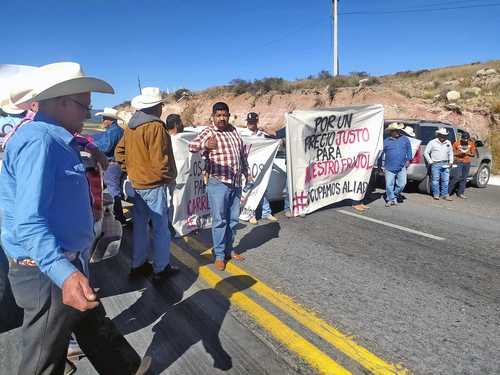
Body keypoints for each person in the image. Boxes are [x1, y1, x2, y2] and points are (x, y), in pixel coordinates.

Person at [0, 62, 144, 375]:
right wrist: (64, 273)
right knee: (42, 359)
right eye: (84, 106)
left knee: (96, 330)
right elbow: (28, 221)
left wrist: (91, 151)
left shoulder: (58, 137)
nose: (88, 114)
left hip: (67, 262)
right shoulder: (39, 143)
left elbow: (76, 144)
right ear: (61, 101)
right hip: (46, 271)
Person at [115, 87, 179, 282]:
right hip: (153, 184)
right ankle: (161, 268)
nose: (161, 108)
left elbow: (119, 153)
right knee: (160, 228)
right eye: (160, 104)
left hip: (137, 184)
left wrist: (132, 169)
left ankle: (138, 264)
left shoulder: (131, 127)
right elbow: (162, 160)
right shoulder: (156, 127)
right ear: (155, 107)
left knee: (141, 226)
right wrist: (168, 178)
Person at [188, 102, 251, 271]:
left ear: (229, 116)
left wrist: (246, 171)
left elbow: (242, 154)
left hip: (236, 182)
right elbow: (191, 146)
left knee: (233, 220)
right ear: (213, 116)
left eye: (225, 115)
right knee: (219, 221)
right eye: (218, 115)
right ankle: (220, 255)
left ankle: (229, 249)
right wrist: (205, 145)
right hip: (218, 183)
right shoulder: (209, 132)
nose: (222, 118)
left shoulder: (233, 130)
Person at [93, 107, 128, 224]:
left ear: (110, 120)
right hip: (115, 165)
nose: (102, 121)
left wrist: (90, 144)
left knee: (113, 191)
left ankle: (119, 218)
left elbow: (106, 147)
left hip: (112, 165)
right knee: (103, 189)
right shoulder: (116, 130)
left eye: (104, 119)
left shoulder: (113, 131)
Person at [244, 112, 278, 224]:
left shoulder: (262, 134)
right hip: (248, 167)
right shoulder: (244, 134)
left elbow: (276, 137)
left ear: (256, 122)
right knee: (249, 190)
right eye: (249, 122)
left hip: (260, 166)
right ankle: (250, 214)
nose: (250, 125)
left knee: (262, 189)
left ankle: (266, 212)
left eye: (253, 122)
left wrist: (266, 130)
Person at [380, 123, 413, 207]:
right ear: (391, 132)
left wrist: (408, 159)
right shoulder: (386, 142)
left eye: (398, 130)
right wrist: (379, 165)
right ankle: (391, 199)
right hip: (389, 167)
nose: (398, 132)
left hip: (401, 166)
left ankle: (394, 195)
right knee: (388, 185)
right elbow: (380, 154)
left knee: (402, 184)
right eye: (396, 130)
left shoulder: (405, 139)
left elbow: (409, 150)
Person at [424, 128, 454, 200]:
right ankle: (436, 194)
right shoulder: (432, 142)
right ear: (438, 135)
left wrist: (451, 162)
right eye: (442, 135)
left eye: (444, 135)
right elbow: (426, 152)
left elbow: (451, 153)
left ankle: (445, 194)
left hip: (446, 163)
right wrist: (430, 161)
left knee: (445, 180)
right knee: (435, 180)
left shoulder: (448, 142)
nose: (443, 137)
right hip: (436, 163)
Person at [449, 131, 476, 199]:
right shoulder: (456, 143)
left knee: (464, 178)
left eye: (466, 139)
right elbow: (452, 153)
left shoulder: (471, 144)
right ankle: (448, 192)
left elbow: (473, 154)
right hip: (458, 161)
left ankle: (460, 193)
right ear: (461, 138)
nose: (465, 140)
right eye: (464, 139)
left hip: (467, 162)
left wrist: (468, 154)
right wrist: (459, 153)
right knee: (456, 177)